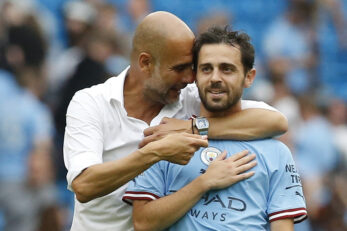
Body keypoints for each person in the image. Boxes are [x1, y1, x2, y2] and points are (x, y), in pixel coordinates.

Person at [64, 12, 288, 231]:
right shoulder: (91, 103)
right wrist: (155, 153)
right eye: (179, 68)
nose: (190, 78)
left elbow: (275, 121)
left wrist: (192, 126)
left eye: (191, 68)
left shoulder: (189, 97)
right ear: (146, 63)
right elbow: (84, 185)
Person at [124, 26, 307, 231]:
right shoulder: (163, 139)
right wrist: (204, 183)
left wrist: (192, 129)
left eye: (227, 69)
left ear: (249, 77)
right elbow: (143, 223)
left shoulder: (277, 152)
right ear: (195, 76)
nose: (215, 78)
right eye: (206, 68)